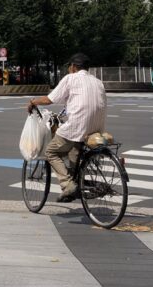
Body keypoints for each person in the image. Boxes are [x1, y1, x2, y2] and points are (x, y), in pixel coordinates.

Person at [27, 53, 107, 202]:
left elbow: (49, 99)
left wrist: (33, 102)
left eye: (69, 66)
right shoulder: (97, 81)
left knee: (51, 152)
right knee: (74, 150)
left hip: (79, 125)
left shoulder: (70, 78)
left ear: (74, 66)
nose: (69, 69)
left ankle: (67, 185)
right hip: (97, 127)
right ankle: (75, 184)